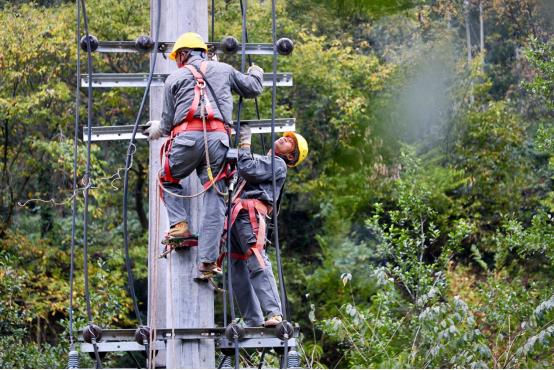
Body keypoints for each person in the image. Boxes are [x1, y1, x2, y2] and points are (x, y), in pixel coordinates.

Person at [143, 32, 264, 276]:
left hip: (186, 141)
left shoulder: (175, 77)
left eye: (178, 57)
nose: (177, 62)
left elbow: (167, 125)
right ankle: (208, 262)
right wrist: (256, 72)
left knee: (165, 178)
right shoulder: (224, 69)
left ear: (185, 54)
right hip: (219, 141)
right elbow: (253, 89)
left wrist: (156, 129)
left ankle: (179, 225)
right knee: (215, 193)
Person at [225, 126, 308, 327]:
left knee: (256, 257)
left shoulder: (278, 165)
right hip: (235, 217)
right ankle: (253, 320)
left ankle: (274, 313)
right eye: (285, 137)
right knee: (236, 268)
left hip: (249, 214)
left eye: (290, 142)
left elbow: (247, 168)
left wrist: (244, 143)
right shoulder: (264, 160)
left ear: (291, 157)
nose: (283, 139)